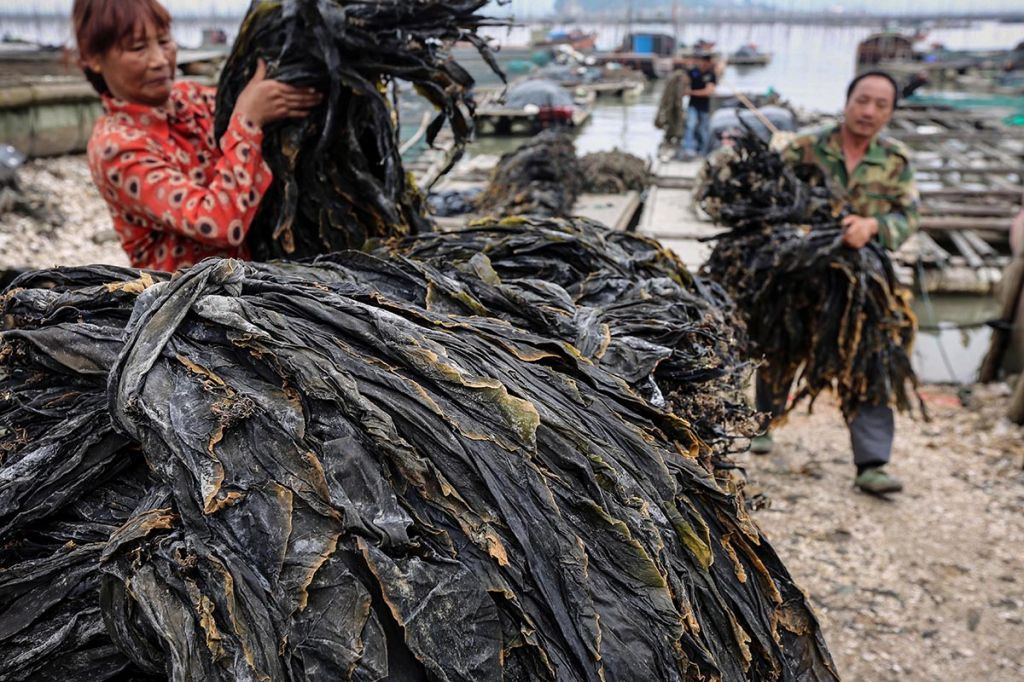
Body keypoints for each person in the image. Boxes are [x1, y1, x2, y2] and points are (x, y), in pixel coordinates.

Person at [750, 71, 920, 496]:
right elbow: (768, 198)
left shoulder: (896, 160)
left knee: (872, 359)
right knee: (779, 349)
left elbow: (909, 216)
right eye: (862, 100)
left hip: (862, 284)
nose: (869, 111)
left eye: (881, 105)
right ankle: (762, 425)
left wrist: (874, 225)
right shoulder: (805, 148)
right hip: (802, 273)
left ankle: (872, 463)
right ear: (846, 102)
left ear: (890, 112)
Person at [74, 0, 321, 272]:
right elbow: (216, 222)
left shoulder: (192, 99)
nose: (159, 60)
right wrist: (248, 120)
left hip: (253, 276)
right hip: (184, 296)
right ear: (94, 59)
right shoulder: (115, 146)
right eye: (138, 48)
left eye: (164, 41)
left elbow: (251, 104)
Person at [681, 53, 717, 158]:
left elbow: (708, 91)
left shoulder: (711, 75)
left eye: (704, 61)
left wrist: (691, 92)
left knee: (702, 129)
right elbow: (685, 81)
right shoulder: (693, 72)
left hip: (704, 107)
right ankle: (688, 149)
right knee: (690, 125)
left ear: (708, 62)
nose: (702, 63)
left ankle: (703, 150)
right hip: (692, 105)